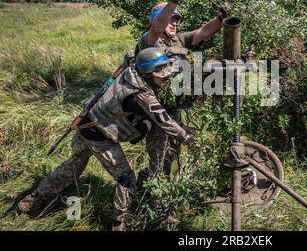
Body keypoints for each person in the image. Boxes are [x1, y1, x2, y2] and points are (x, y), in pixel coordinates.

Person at [17, 48, 197, 231]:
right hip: (99, 135)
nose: (165, 78)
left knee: (72, 166)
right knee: (126, 179)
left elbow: (135, 58)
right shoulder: (140, 95)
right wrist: (187, 137)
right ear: (149, 76)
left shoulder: (133, 70)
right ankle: (118, 224)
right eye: (161, 75)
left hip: (86, 124)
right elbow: (163, 120)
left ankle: (32, 202)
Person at [135, 0, 229, 181]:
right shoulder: (150, 40)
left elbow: (203, 32)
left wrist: (220, 19)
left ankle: (147, 185)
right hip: (155, 108)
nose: (174, 22)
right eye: (170, 19)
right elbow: (158, 26)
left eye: (177, 19)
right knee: (159, 157)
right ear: (157, 20)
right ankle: (149, 200)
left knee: (172, 151)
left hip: (174, 106)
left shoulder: (179, 39)